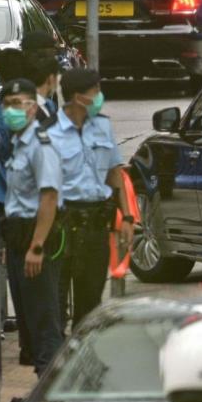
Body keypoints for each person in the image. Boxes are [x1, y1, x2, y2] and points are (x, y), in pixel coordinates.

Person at [48, 69, 130, 328]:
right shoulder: (49, 131)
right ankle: (57, 362)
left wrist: (126, 217)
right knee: (56, 302)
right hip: (61, 225)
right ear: (77, 97)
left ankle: (83, 357)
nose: (99, 97)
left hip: (96, 224)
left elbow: (114, 174)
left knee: (91, 302)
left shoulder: (103, 125)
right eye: (94, 92)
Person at [0, 78, 62, 377]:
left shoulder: (40, 145)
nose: (11, 111)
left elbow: (49, 197)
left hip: (35, 242)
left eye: (18, 105)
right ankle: (39, 392)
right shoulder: (18, 143)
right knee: (28, 322)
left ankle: (48, 397)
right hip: (17, 240)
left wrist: (36, 246)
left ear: (33, 107)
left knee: (43, 319)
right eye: (7, 105)